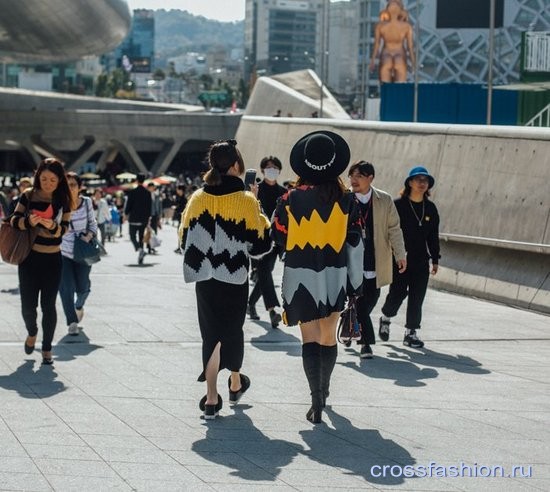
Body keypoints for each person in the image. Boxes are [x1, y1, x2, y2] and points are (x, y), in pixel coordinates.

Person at [272, 131, 364, 424]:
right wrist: (356, 285)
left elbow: (279, 237)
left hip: (300, 276)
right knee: (328, 337)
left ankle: (315, 400)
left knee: (308, 339)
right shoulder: (348, 202)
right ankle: (324, 392)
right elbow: (356, 244)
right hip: (335, 276)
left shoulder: (289, 199)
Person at [179, 139, 272, 420]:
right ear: (236, 166)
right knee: (232, 330)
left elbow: (183, 238)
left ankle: (210, 398)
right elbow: (260, 246)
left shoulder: (197, 198)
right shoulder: (245, 200)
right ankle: (234, 381)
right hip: (233, 276)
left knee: (211, 334)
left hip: (204, 277)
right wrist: (258, 209)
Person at [10, 158, 73, 365]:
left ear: (59, 181)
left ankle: (47, 348)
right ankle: (32, 332)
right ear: (38, 177)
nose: (47, 183)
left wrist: (52, 226)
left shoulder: (64, 199)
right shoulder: (28, 196)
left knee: (48, 305)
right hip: (29, 259)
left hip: (52, 260)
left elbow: (64, 229)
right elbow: (13, 221)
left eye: (52, 180)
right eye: (44, 179)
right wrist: (29, 221)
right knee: (28, 306)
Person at [348, 161, 407, 359]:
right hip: (351, 261)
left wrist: (400, 254)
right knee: (360, 302)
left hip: (375, 260)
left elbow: (394, 229)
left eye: (359, 176)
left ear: (370, 178)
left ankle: (351, 323)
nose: (353, 180)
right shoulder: (344, 199)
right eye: (352, 175)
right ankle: (366, 344)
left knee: (371, 298)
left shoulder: (384, 200)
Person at [379, 166, 440, 348]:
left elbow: (433, 235)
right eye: (418, 179)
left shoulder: (430, 208)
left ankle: (411, 332)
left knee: (417, 296)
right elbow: (387, 231)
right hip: (400, 259)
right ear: (410, 183)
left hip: (421, 260)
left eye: (425, 180)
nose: (422, 183)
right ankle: (386, 317)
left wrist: (435, 259)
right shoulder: (398, 205)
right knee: (397, 293)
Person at [247, 156, 286, 328]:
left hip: (276, 241)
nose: (272, 170)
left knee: (266, 274)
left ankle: (250, 303)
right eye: (269, 167)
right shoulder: (256, 189)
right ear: (262, 170)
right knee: (264, 271)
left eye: (275, 167)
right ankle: (272, 311)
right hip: (258, 240)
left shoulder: (283, 192)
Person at [59, 173, 98, 336]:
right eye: (67, 184)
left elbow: (93, 223)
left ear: (80, 187)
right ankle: (72, 321)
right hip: (63, 251)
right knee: (66, 287)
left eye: (73, 184)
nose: (70, 187)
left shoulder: (87, 202)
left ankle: (79, 305)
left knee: (83, 287)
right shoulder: (58, 203)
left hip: (82, 250)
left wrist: (89, 235)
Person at [369, 0, 415, 83]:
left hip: (386, 54)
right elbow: (410, 47)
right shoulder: (406, 27)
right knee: (400, 89)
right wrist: (413, 63)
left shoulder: (380, 26)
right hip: (400, 54)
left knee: (385, 88)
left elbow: (377, 45)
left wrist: (372, 61)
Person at [124, 173, 152, 265]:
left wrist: (126, 214)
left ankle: (139, 250)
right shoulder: (148, 193)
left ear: (136, 180)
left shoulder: (132, 192)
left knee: (132, 236)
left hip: (134, 218)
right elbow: (149, 207)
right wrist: (148, 218)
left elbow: (128, 205)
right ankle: (141, 253)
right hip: (143, 219)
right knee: (141, 238)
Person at [146, 182, 161, 254]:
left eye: (154, 187)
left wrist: (159, 215)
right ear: (149, 187)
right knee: (149, 231)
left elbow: (158, 205)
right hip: (148, 215)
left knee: (154, 231)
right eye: (152, 187)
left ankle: (153, 246)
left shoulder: (156, 194)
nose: (153, 188)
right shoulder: (145, 195)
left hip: (155, 215)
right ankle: (149, 247)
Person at [173, 184, 187, 254]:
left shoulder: (184, 199)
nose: (177, 190)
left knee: (181, 232)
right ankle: (179, 247)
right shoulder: (180, 197)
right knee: (179, 232)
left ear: (181, 190)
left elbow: (183, 209)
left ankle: (181, 247)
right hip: (180, 218)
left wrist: (176, 209)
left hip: (182, 218)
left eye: (178, 189)